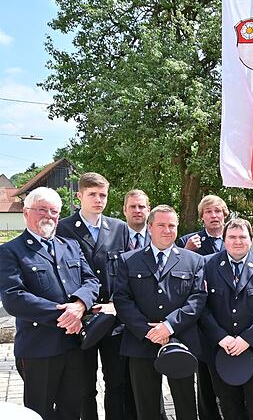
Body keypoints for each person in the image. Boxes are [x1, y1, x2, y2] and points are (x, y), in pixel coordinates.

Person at [0, 187, 99, 420]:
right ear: (26, 213)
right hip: (39, 347)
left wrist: (80, 305)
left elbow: (91, 281)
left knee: (73, 410)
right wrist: (66, 316)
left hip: (74, 345)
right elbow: (14, 297)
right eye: (41, 210)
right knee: (39, 411)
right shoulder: (10, 251)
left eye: (54, 211)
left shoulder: (70, 246)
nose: (48, 216)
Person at [114, 205, 207, 420]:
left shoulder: (194, 260)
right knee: (147, 408)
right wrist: (147, 331)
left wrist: (169, 326)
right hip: (141, 342)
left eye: (172, 225)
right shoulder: (129, 260)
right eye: (162, 225)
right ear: (149, 227)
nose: (167, 230)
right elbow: (122, 299)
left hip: (181, 340)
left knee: (185, 405)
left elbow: (197, 299)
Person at [56, 172, 133, 420]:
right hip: (81, 320)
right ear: (79, 196)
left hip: (112, 318)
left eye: (103, 195)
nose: (99, 200)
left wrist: (115, 304)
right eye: (92, 194)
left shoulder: (119, 228)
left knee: (116, 383)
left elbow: (125, 273)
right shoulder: (63, 228)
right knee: (83, 385)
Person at [200, 218, 253, 420]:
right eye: (232, 237)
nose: (237, 241)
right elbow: (201, 306)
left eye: (242, 237)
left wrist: (247, 339)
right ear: (224, 240)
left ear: (250, 239)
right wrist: (221, 337)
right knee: (228, 402)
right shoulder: (207, 264)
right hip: (221, 349)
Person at [176, 194, 228, 420]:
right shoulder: (189, 241)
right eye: (208, 212)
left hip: (231, 316)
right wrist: (188, 251)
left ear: (225, 214)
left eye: (217, 211)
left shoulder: (235, 237)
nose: (214, 216)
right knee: (205, 376)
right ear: (202, 217)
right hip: (202, 317)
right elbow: (176, 276)